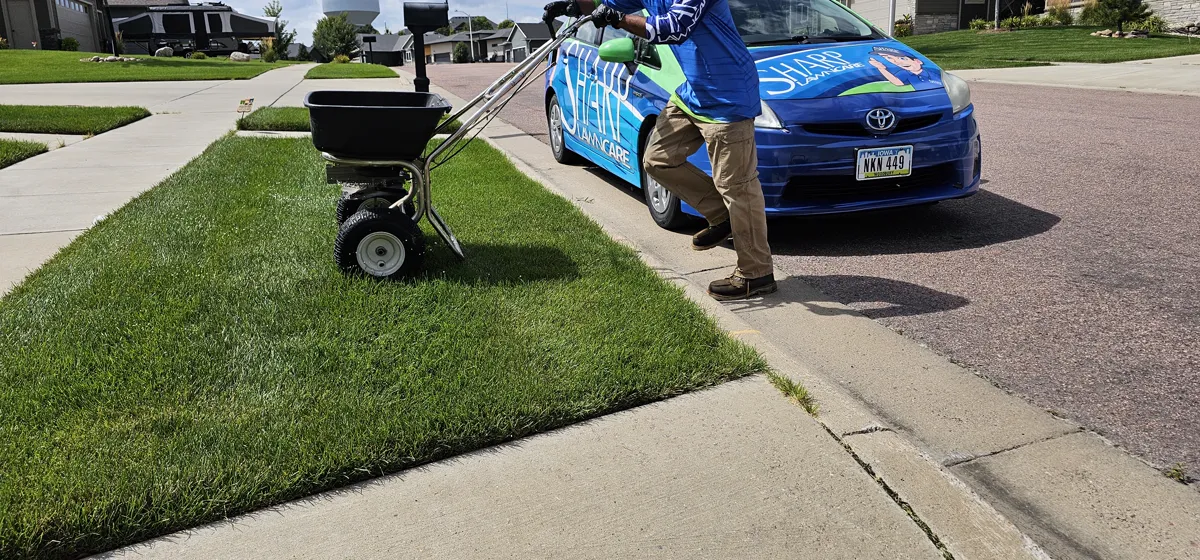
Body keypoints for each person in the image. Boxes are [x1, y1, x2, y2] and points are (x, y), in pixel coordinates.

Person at [544, 0, 776, 301]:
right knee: (657, 160)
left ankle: (756, 274)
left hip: (728, 96)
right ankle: (723, 217)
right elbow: (604, 3)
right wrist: (575, 5)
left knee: (737, 186)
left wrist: (617, 19)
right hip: (693, 93)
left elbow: (672, 28)